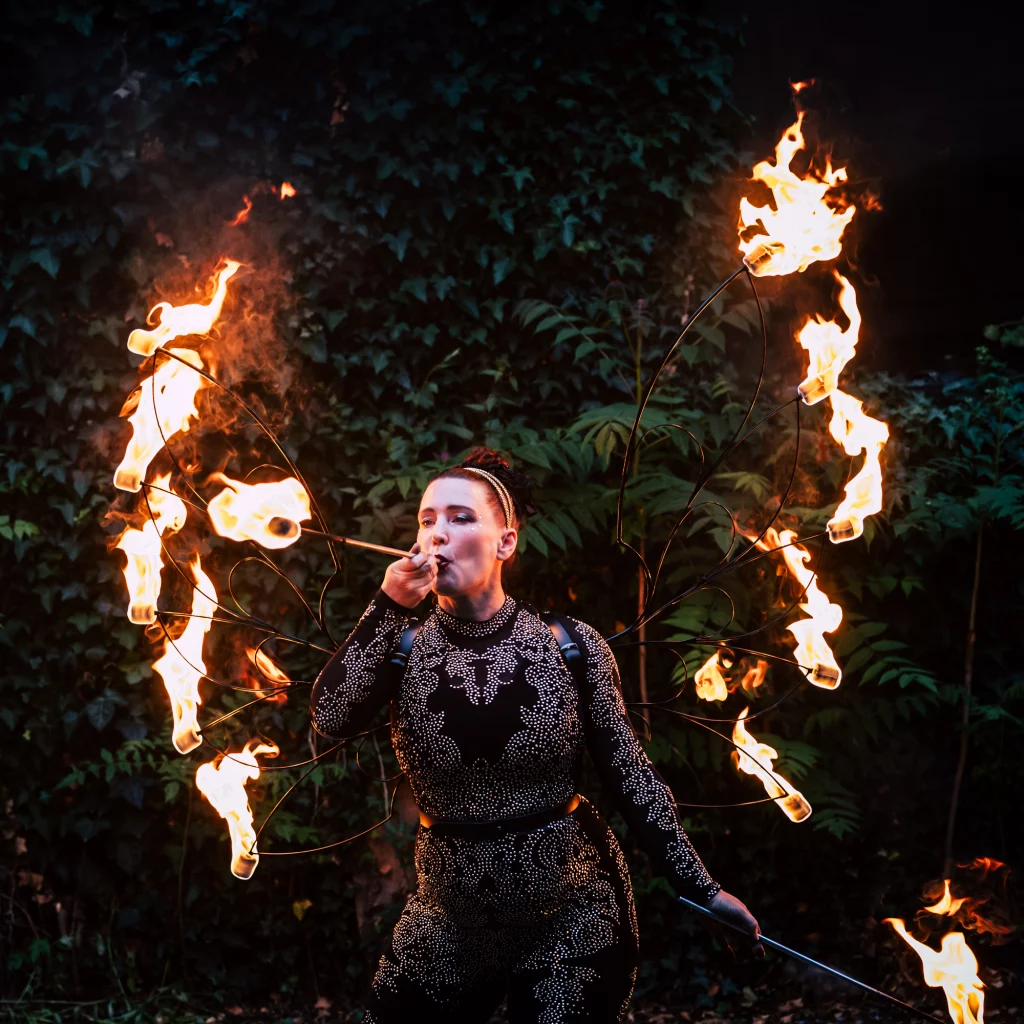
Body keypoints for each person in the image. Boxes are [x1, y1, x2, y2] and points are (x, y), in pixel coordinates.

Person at [310, 448, 760, 1023]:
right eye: (427, 520)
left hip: (573, 915)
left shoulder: (570, 646)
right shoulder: (401, 646)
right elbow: (329, 717)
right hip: (449, 921)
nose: (437, 535)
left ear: (506, 542)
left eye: (460, 518)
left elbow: (630, 777)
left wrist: (702, 889)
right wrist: (386, 607)